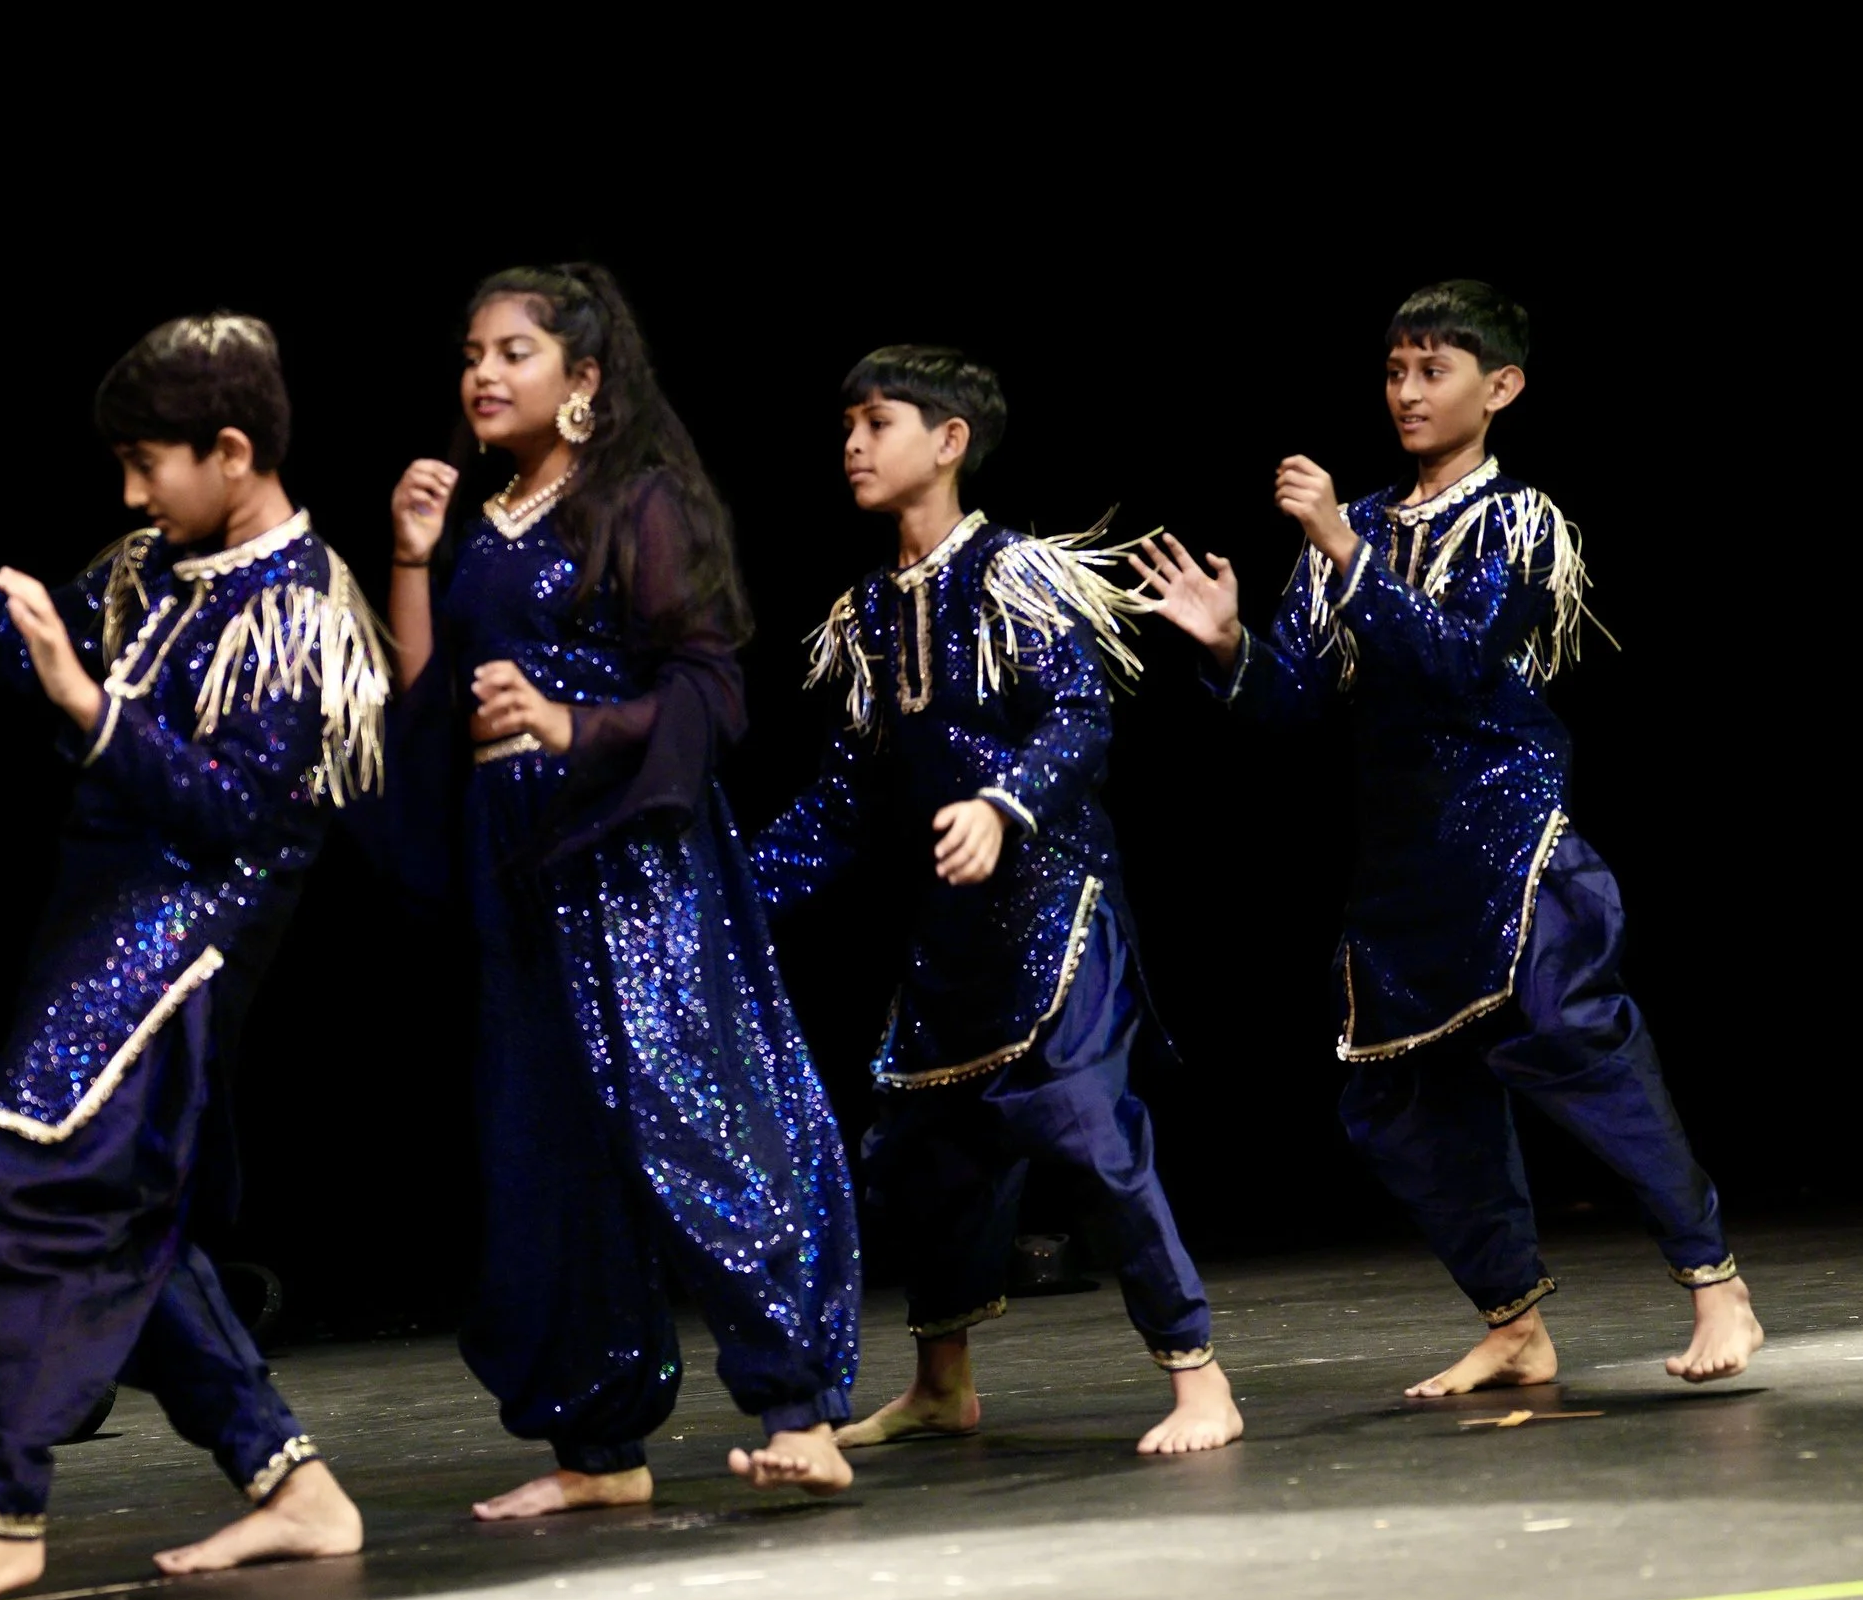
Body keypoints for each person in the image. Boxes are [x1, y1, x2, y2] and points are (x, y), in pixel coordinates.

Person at [0, 313, 379, 1600]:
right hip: (101, 918)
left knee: (18, 1167)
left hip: (187, 937)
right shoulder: (152, 570)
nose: (130, 492)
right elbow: (27, 662)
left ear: (231, 452)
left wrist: (93, 708)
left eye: (149, 463)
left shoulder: (299, 616)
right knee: (127, 1221)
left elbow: (235, 816)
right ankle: (289, 1483)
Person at [1130, 279, 1762, 1395]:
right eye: (1394, 371)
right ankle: (1512, 1320)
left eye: (1435, 369)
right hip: (1401, 864)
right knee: (1402, 1102)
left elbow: (1464, 667)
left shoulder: (1520, 521)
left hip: (1511, 842)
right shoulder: (1361, 525)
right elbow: (1302, 705)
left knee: (1578, 1045)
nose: (1408, 392)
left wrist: (1339, 548)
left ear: (1500, 386)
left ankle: (1715, 1280)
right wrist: (1230, 648)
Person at [384, 263, 859, 1518]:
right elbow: (426, 708)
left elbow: (711, 692)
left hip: (627, 849)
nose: (483, 374)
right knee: (545, 1150)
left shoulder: (636, 503)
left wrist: (567, 722)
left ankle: (798, 1409)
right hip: (513, 864)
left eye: (515, 353)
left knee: (685, 1111)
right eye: (473, 353)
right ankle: (598, 1451)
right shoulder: (485, 527)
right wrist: (413, 561)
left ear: (583, 379)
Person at [751, 346, 1240, 1457]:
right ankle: (941, 1383)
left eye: (877, 423)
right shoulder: (870, 614)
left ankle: (1199, 1376)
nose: (853, 446)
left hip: (1056, 908)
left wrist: (1002, 804)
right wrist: (734, 888)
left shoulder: (1013, 574)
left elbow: (1079, 720)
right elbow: (844, 798)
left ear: (949, 440)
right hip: (952, 932)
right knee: (925, 1152)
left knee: (1086, 1129)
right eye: (846, 428)